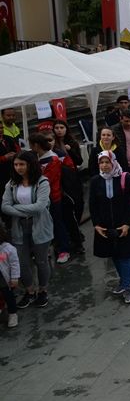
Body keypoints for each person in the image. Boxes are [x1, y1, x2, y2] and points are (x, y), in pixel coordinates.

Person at [2, 151, 53, 309]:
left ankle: (43, 290)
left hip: (40, 226)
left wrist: (16, 208)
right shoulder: (11, 184)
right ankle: (30, 291)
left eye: (22, 164)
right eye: (16, 164)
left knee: (41, 261)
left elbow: (39, 207)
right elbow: (4, 206)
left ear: (30, 165)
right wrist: (25, 211)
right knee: (22, 262)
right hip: (19, 227)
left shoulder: (42, 182)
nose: (19, 168)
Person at [89, 151, 130, 304]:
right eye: (101, 162)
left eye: (107, 162)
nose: (104, 165)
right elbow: (92, 205)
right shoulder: (95, 181)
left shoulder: (124, 178)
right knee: (114, 254)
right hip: (105, 226)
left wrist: (127, 223)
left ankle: (127, 286)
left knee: (125, 256)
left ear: (113, 162)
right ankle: (123, 282)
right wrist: (96, 224)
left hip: (123, 224)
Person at [29, 133, 70, 264]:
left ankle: (64, 249)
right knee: (42, 224)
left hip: (53, 196)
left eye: (31, 144)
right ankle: (45, 249)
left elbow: (48, 179)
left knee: (57, 223)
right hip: (38, 198)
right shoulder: (36, 157)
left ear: (36, 145)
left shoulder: (53, 159)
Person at [0, 225, 20, 327]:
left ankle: (12, 314)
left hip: (4, 279)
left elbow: (14, 264)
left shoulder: (8, 248)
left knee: (9, 296)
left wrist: (14, 278)